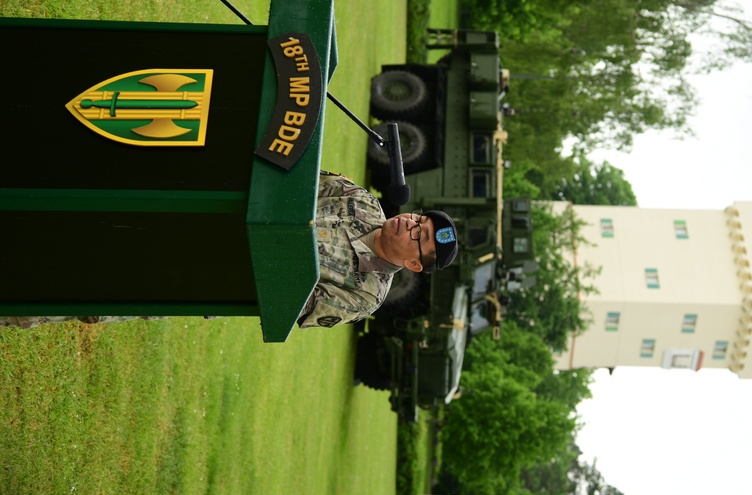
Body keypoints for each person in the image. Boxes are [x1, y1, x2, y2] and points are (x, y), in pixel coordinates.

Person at [0, 172, 458, 331]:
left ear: (415, 264)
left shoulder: (365, 295)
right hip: (207, 214)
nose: (410, 223)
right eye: (419, 218)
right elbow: (289, 174)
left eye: (418, 235)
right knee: (100, 226)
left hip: (205, 276)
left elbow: (288, 303)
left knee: (94, 291)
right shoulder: (361, 200)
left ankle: (17, 305)